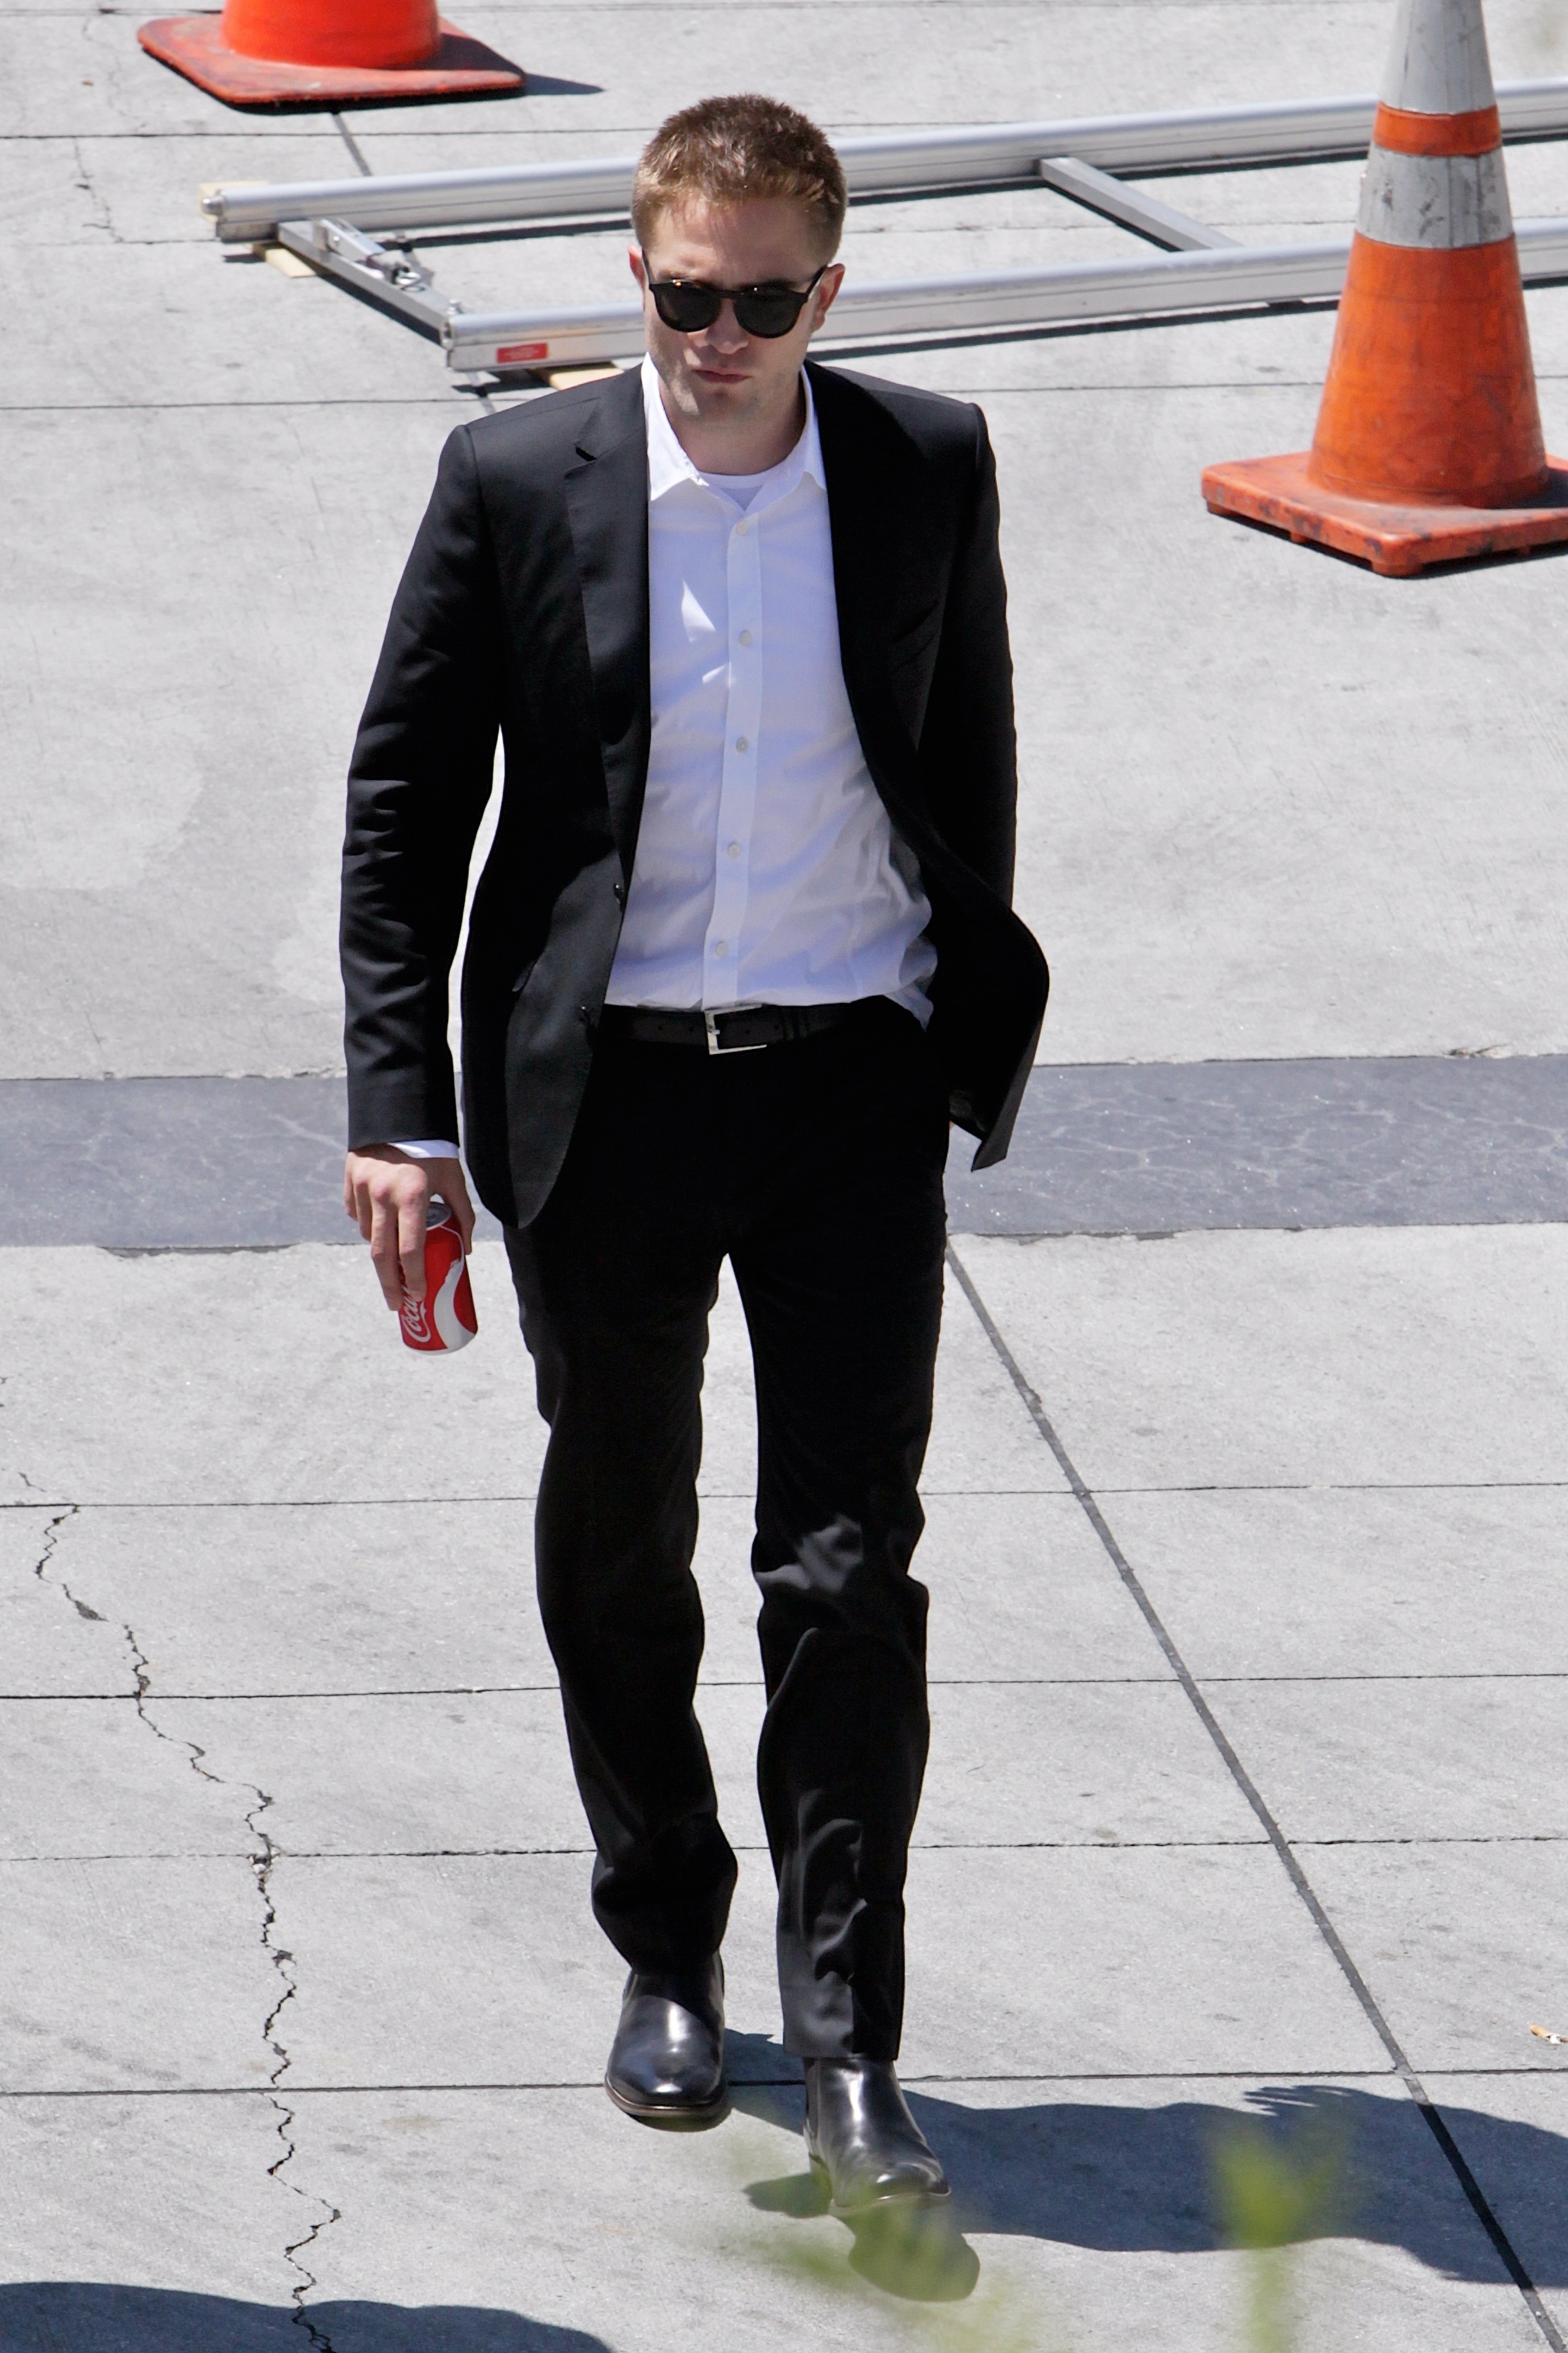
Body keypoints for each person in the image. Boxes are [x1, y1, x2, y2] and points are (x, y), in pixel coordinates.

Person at [341, 92, 1047, 2216]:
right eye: (683, 297)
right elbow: (406, 809)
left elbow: (967, 754)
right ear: (631, 276)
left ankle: (852, 2049)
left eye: (761, 302)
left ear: (829, 294)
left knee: (847, 1573)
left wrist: (948, 1034)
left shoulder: (925, 465)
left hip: (846, 1091)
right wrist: (400, 1114)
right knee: (621, 1538)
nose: (718, 339)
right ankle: (666, 1942)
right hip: (607, 1100)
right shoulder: (516, 482)